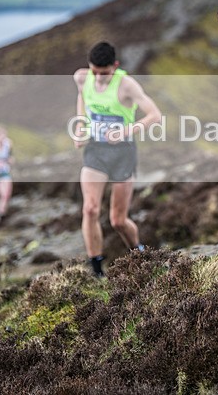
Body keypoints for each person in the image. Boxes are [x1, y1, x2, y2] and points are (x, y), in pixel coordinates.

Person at [72, 41, 162, 277]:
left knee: (118, 221)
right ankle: (97, 270)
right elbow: (82, 98)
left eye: (105, 73)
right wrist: (82, 125)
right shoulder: (82, 77)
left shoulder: (127, 85)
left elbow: (155, 116)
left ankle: (139, 252)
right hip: (95, 152)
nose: (99, 78)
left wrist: (125, 131)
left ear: (115, 66)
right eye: (95, 72)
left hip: (123, 154)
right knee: (90, 209)